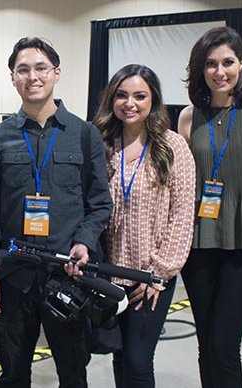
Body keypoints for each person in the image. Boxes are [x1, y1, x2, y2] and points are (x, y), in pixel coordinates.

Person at [0, 36, 113, 388]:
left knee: (72, 373)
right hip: (14, 276)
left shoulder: (84, 135)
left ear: (56, 73)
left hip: (67, 275)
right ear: (12, 78)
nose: (32, 77)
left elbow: (100, 202)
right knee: (13, 374)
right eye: (22, 70)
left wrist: (84, 242)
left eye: (40, 68)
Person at [176, 26, 242, 388]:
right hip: (199, 244)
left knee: (225, 343)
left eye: (228, 62)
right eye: (211, 64)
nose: (220, 72)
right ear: (201, 69)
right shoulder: (188, 117)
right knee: (207, 344)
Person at [93, 64, 196, 388]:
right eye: (122, 95)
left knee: (138, 361)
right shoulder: (102, 143)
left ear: (154, 100)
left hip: (150, 278)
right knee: (119, 356)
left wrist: (159, 273)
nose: (130, 103)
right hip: (109, 276)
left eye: (140, 96)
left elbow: (182, 214)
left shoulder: (172, 146)